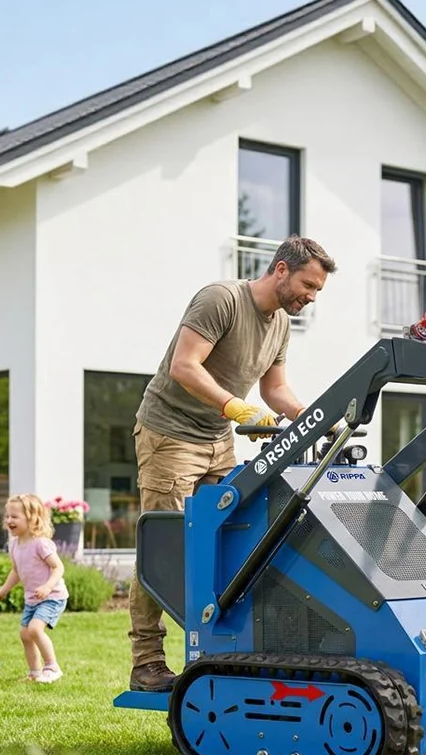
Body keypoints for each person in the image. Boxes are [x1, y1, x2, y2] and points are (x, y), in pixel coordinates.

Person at [128, 235, 337, 692]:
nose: (311, 296)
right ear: (281, 270)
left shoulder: (280, 323)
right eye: (308, 284)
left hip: (219, 439)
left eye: (318, 290)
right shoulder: (221, 299)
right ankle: (146, 664)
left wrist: (318, 422)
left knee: (241, 537)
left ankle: (226, 651)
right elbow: (185, 365)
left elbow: (274, 391)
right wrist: (232, 406)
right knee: (164, 546)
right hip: (170, 434)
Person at [0, 494, 69, 682]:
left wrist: (48, 586)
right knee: (25, 635)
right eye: (7, 516)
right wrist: (2, 591)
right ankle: (35, 673)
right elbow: (16, 572)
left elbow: (58, 567)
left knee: (34, 630)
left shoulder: (40, 543)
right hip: (33, 599)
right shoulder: (14, 545)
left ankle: (52, 667)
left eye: (15, 516)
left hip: (52, 596)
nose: (9, 520)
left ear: (32, 518)